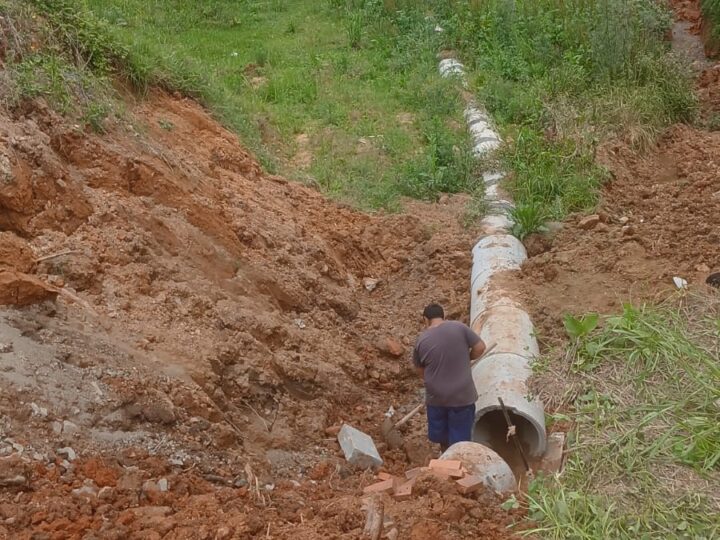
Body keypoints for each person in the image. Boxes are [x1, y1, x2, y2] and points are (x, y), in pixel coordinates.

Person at [412, 303, 486, 453]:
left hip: (437, 398)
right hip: (462, 396)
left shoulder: (421, 340)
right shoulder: (460, 327)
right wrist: (467, 358)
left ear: (425, 320)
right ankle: (458, 461)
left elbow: (420, 371)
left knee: (441, 435)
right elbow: (480, 348)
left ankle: (445, 458)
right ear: (443, 316)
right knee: (460, 437)